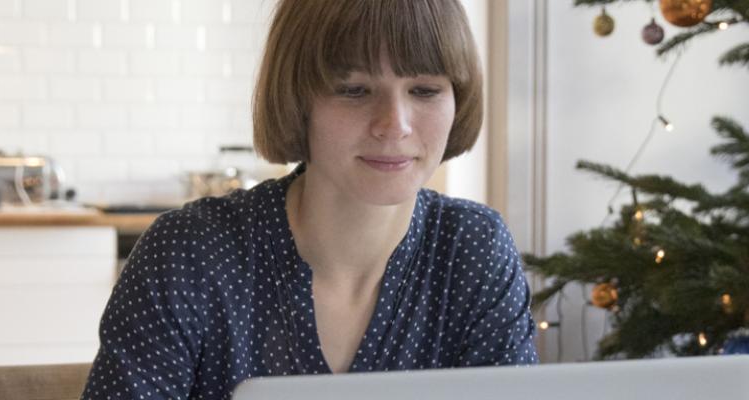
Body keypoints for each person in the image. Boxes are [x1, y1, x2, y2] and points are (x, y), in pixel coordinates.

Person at [82, 0, 537, 398]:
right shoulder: (188, 252)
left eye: (425, 90)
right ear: (298, 99)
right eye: (354, 90)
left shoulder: (474, 248)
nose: (394, 125)